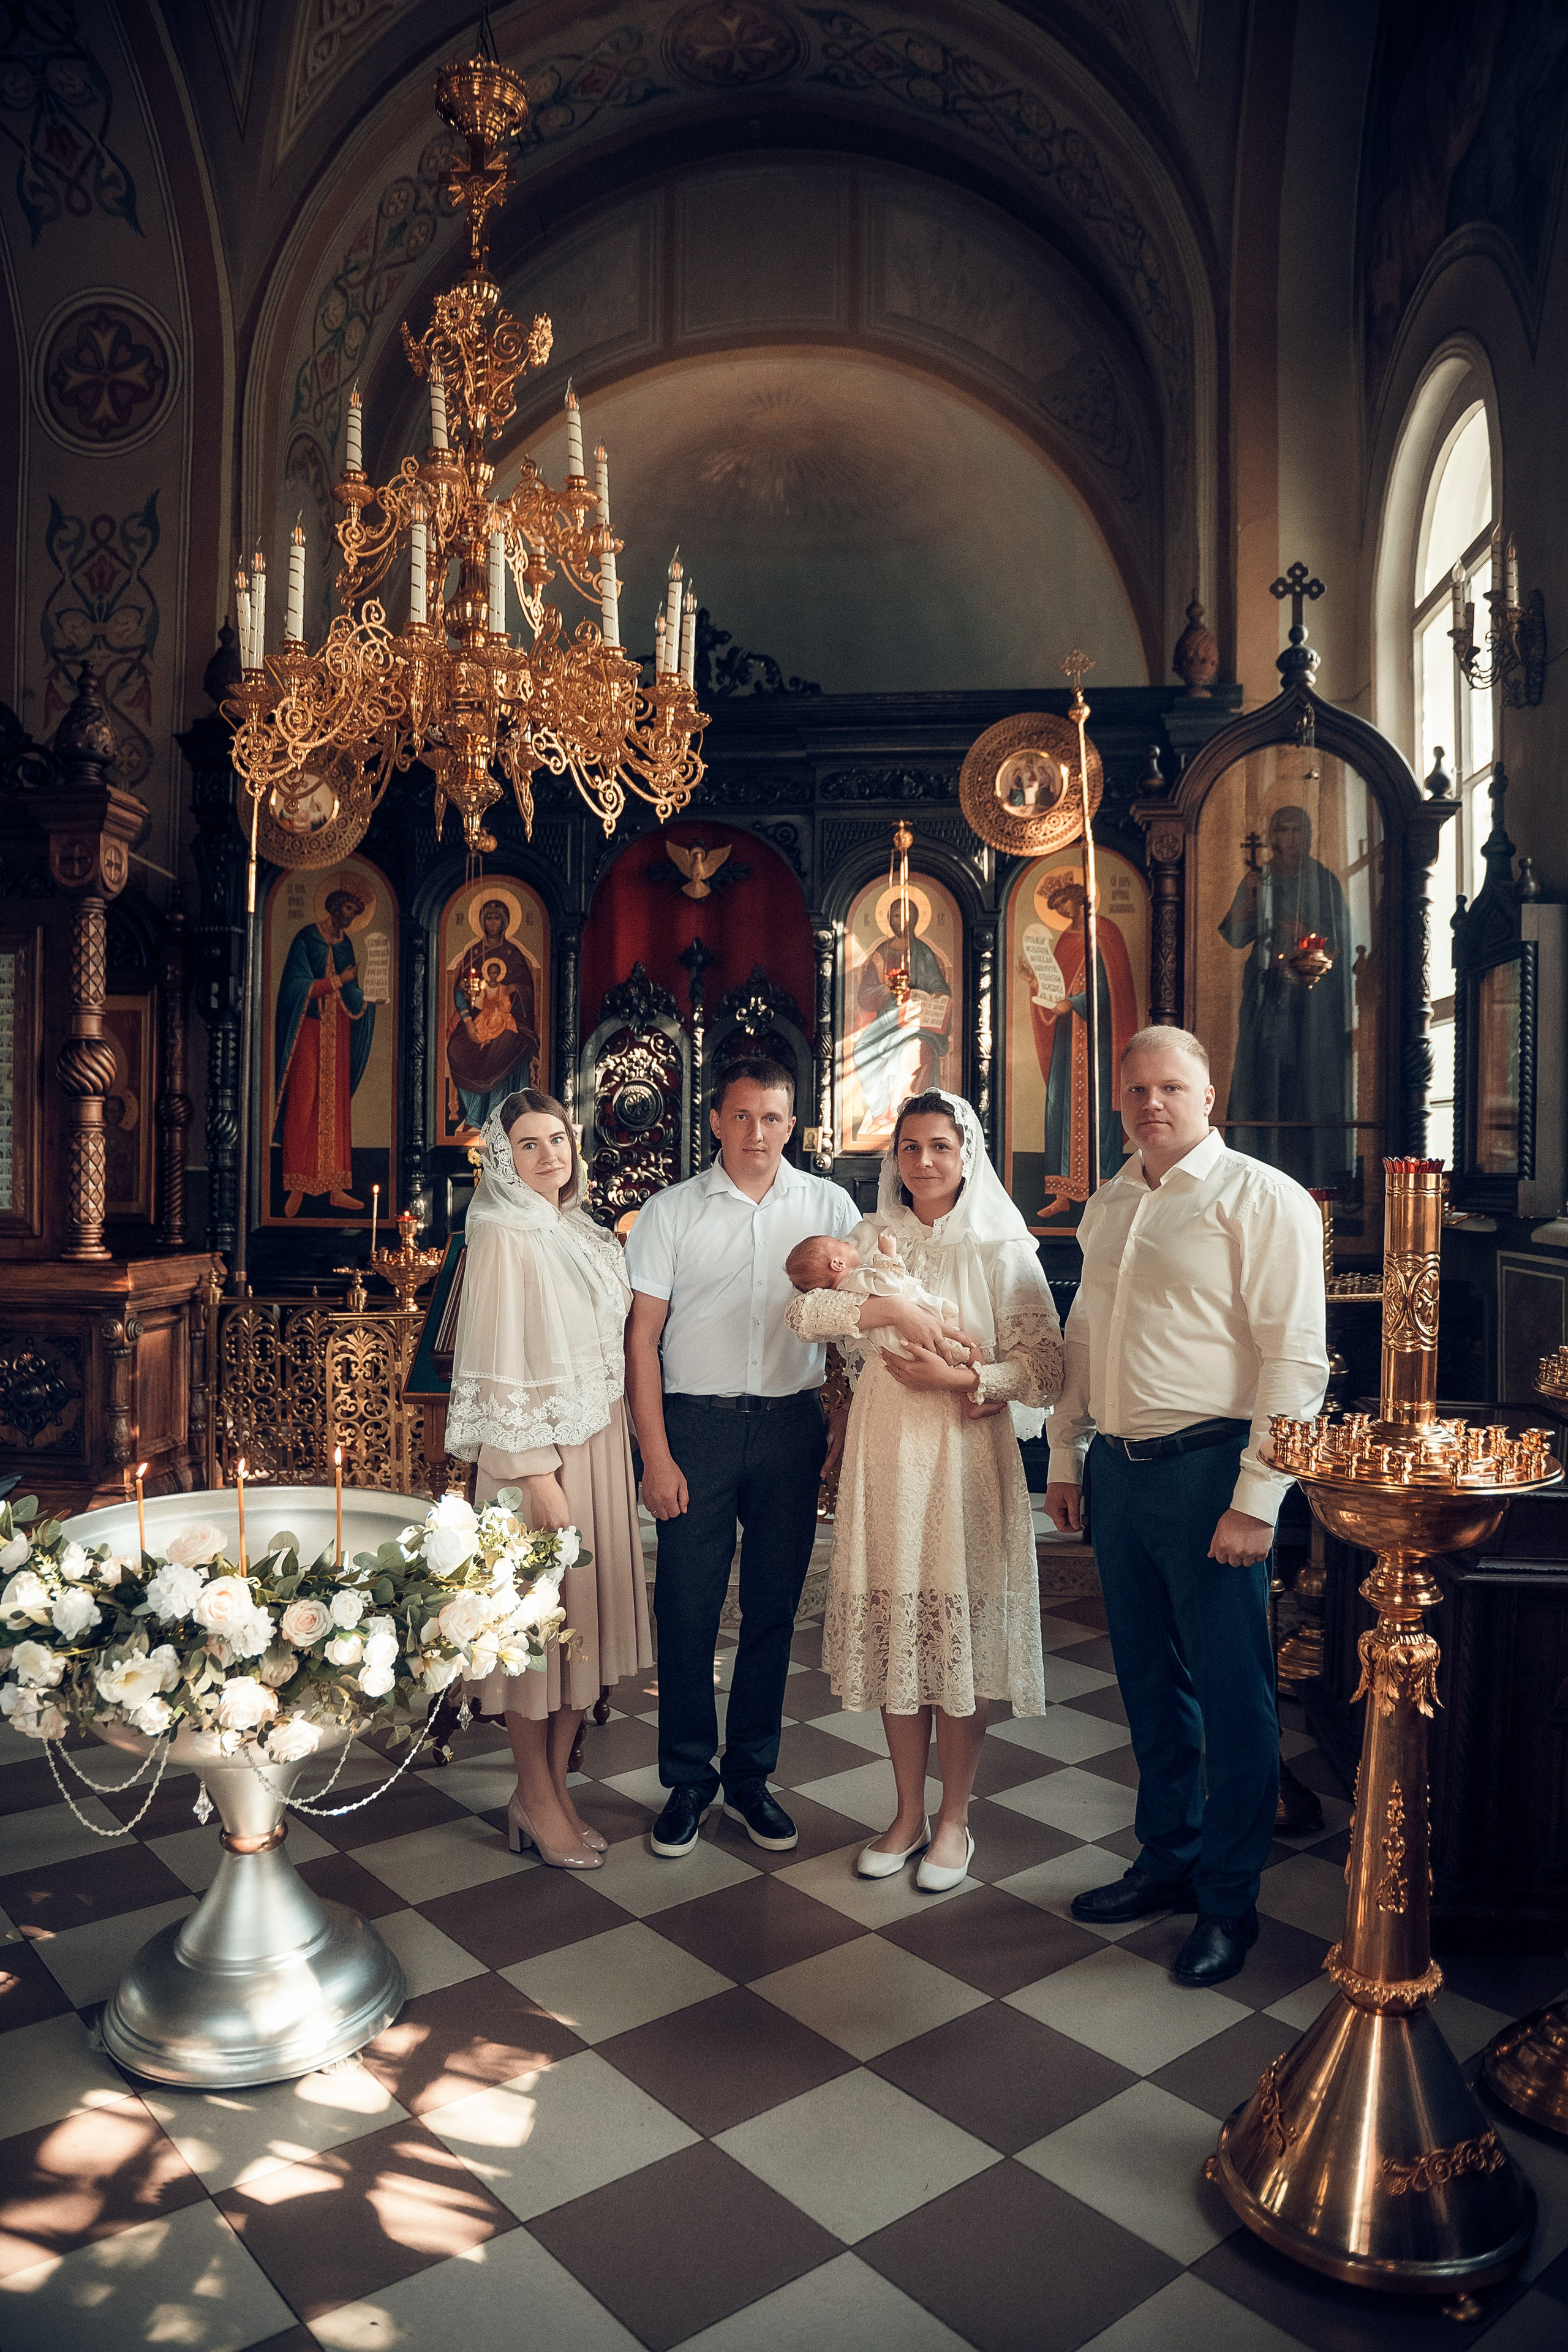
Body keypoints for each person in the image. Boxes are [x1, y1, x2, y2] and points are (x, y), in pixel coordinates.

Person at [1043, 1028, 1328, 1986]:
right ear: (1118, 1101)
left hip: (1214, 1472)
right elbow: (1085, 1333)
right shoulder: (1113, 1199)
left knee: (1235, 1699)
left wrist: (1259, 1501)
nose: (1151, 1103)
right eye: (1135, 1090)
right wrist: (1066, 1450)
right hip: (1122, 1472)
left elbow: (1297, 1360)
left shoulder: (1263, 1199)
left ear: (1211, 1093)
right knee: (1150, 1685)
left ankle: (1228, 1901)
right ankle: (1167, 1860)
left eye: (1171, 1087)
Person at [786, 1090, 1063, 1889]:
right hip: (887, 1453)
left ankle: (954, 1822)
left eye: (940, 1146)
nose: (924, 1161)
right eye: (910, 1147)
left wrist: (965, 1372)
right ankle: (905, 1812)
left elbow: (1044, 1369)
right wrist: (891, 1309)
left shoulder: (1001, 1245)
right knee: (899, 1632)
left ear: (965, 1154)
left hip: (965, 1452)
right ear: (895, 1158)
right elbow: (804, 1312)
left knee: (958, 1641)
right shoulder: (872, 1237)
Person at [624, 1057, 859, 1858]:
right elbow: (642, 1339)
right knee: (686, 1610)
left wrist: (844, 1422)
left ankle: (753, 1776)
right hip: (698, 1427)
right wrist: (654, 1455)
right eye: (742, 1117)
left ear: (792, 1125)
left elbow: (855, 1329)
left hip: (793, 1427)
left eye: (773, 1118)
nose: (757, 1133)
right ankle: (689, 1779)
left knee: (772, 1609)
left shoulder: (830, 1207)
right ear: (716, 1120)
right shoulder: (670, 1212)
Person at [445, 1088, 652, 1869]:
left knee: (583, 1634)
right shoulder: (501, 1232)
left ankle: (552, 1795)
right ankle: (533, 1792)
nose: (549, 1157)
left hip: (595, 1443)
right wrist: (536, 1478)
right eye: (528, 1145)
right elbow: (498, 1360)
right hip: (534, 1457)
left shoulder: (578, 1229)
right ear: (503, 1158)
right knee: (534, 1639)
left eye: (557, 1141)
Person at [1218, 804, 1354, 1186]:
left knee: (1308, 1079)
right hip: (1267, 990)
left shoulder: (1324, 881)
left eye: (1296, 830)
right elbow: (1233, 934)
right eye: (1281, 830)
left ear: (1308, 836)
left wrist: (1306, 932)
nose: (1288, 838)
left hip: (1313, 999)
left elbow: (1341, 941)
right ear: (1271, 835)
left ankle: (1314, 1173)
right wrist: (1253, 898)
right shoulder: (1258, 878)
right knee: (1259, 1074)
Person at [274, 882, 372, 1217]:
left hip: (339, 1033)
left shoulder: (347, 947)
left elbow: (354, 996)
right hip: (309, 1030)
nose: (350, 917)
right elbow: (294, 988)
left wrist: (370, 997)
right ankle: (297, 1187)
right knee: (303, 1101)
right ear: (335, 906)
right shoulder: (307, 939)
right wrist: (339, 982)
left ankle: (335, 1188)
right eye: (348, 909)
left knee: (335, 1107)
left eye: (355, 913)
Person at [784, 1229, 971, 1363]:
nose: (847, 1241)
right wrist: (889, 1255)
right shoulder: (855, 1278)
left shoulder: (845, 1290)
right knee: (965, 1351)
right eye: (840, 1242)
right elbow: (890, 1286)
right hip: (912, 1335)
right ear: (838, 1264)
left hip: (898, 1344)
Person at [852, 898, 953, 1140]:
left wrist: (937, 995)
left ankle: (901, 1117)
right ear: (889, 920)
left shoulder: (924, 953)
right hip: (888, 1020)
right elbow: (865, 997)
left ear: (916, 920)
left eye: (906, 916)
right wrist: (885, 988)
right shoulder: (880, 955)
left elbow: (940, 987)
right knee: (862, 1050)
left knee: (909, 1051)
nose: (902, 921)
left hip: (917, 1021)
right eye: (896, 916)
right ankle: (880, 1114)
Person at [447, 898, 540, 1137]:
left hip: (510, 1017)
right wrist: (467, 1020)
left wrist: (515, 990)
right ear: (481, 922)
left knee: (506, 1045)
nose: (492, 922)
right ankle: (476, 1117)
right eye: (488, 917)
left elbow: (527, 989)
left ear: (506, 922)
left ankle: (503, 1116)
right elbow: (461, 991)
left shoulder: (513, 954)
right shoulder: (474, 953)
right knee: (456, 1048)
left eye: (497, 917)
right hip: (477, 1017)